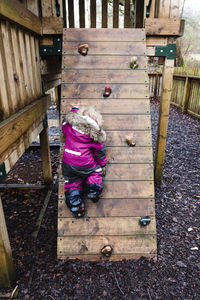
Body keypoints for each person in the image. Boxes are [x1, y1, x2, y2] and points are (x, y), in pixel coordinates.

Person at [62, 106, 107, 218]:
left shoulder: (68, 127)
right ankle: (92, 189)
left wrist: (73, 111)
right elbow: (100, 151)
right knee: (95, 171)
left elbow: (64, 123)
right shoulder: (94, 134)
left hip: (67, 162)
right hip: (83, 162)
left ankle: (75, 205)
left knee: (72, 182)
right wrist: (102, 164)